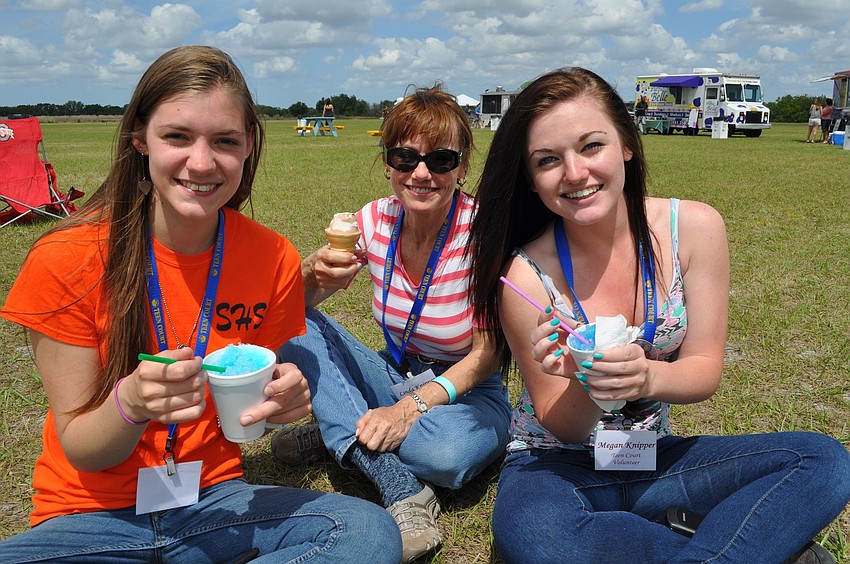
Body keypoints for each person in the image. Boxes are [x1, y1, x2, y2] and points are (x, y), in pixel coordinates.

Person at [0, 45, 402, 563]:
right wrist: (131, 404)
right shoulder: (65, 259)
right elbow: (82, 447)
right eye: (177, 136)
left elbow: (253, 398)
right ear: (139, 139)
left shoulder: (271, 256)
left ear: (249, 146)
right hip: (89, 515)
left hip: (212, 503)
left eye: (225, 141)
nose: (202, 162)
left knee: (365, 532)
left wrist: (285, 404)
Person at [467, 67, 850, 564]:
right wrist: (589, 382)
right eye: (547, 160)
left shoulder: (692, 227)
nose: (575, 173)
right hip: (554, 467)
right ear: (531, 178)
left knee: (821, 460)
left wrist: (644, 375)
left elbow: (704, 369)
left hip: (654, 461)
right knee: (537, 538)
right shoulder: (524, 276)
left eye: (590, 146)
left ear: (626, 143)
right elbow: (563, 427)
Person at [272, 84, 512, 562]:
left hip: (468, 391)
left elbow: (489, 355)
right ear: (388, 163)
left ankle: (335, 429)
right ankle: (397, 484)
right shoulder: (373, 221)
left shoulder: (485, 233)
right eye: (405, 158)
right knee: (296, 324)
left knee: (447, 456)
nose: (421, 173)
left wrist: (408, 411)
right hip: (397, 372)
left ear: (462, 168)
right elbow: (290, 307)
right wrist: (311, 272)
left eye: (441, 160)